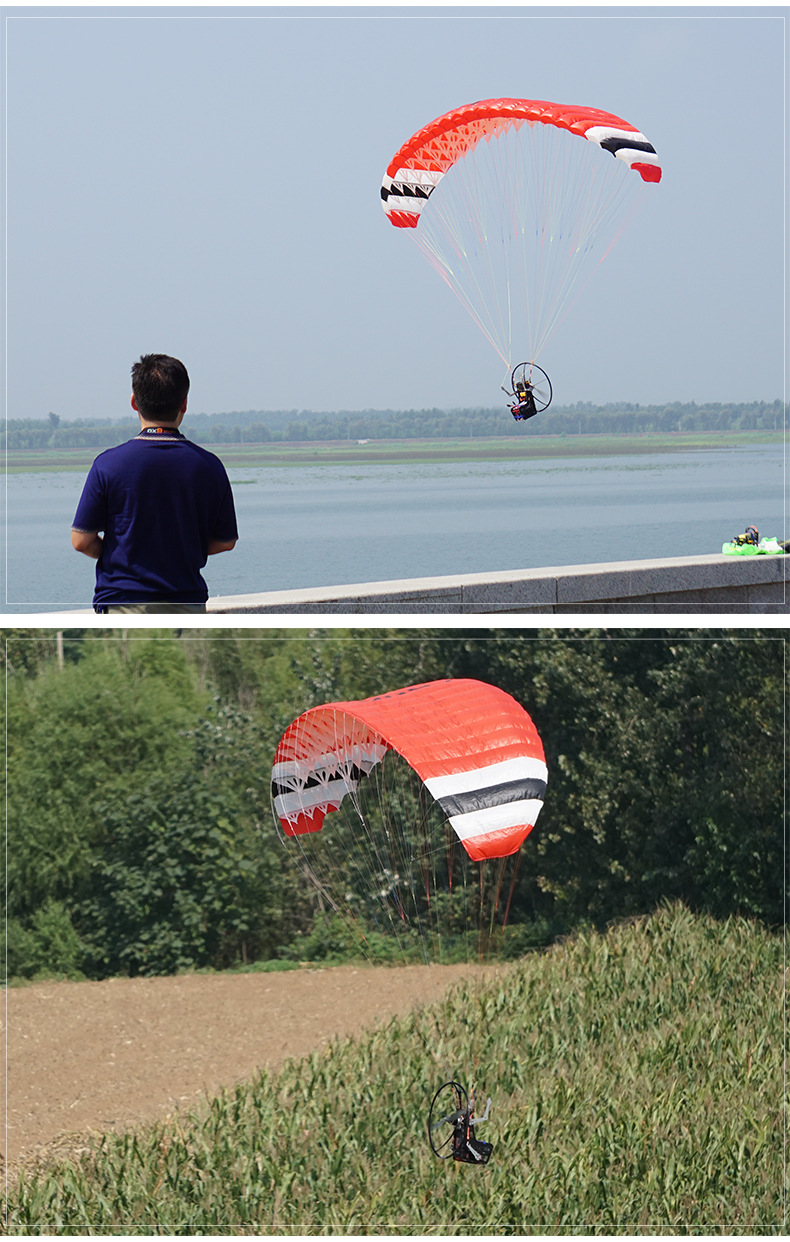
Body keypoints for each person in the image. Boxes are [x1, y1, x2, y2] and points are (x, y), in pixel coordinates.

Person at [71, 354, 238, 613]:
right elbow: (225, 541)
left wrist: (124, 550)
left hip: (123, 603)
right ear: (184, 403)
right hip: (187, 603)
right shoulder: (209, 466)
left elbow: (81, 540)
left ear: (134, 402)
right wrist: (180, 547)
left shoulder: (108, 464)